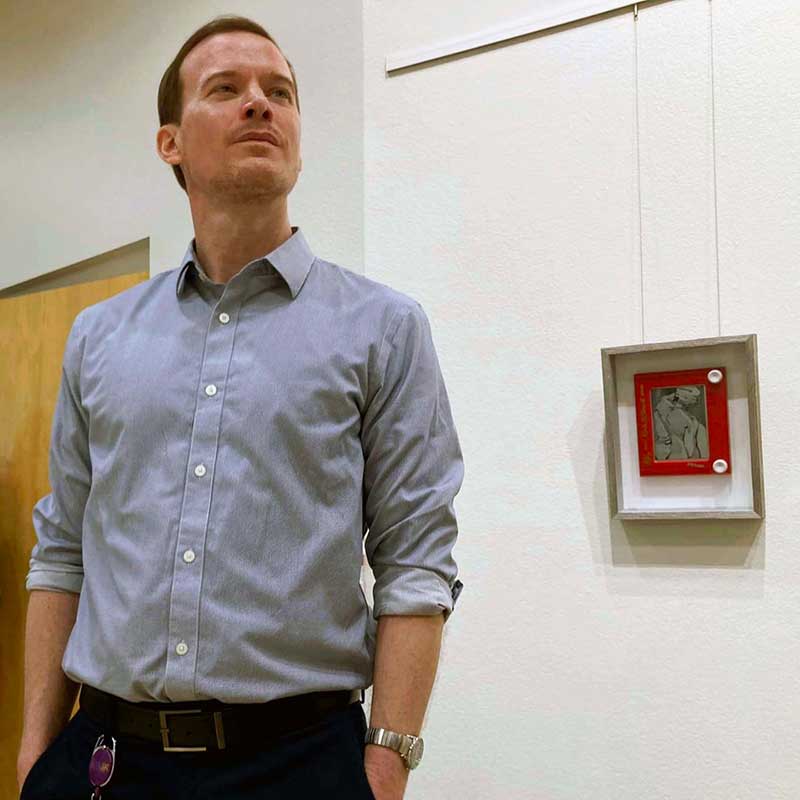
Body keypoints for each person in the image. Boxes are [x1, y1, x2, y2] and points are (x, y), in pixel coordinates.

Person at [17, 14, 464, 800]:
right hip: (102, 762)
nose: (260, 103)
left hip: (298, 765)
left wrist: (386, 767)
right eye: (225, 89)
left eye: (279, 92)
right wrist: (33, 756)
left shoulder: (384, 328)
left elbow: (416, 562)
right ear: (171, 144)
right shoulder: (99, 336)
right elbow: (62, 552)